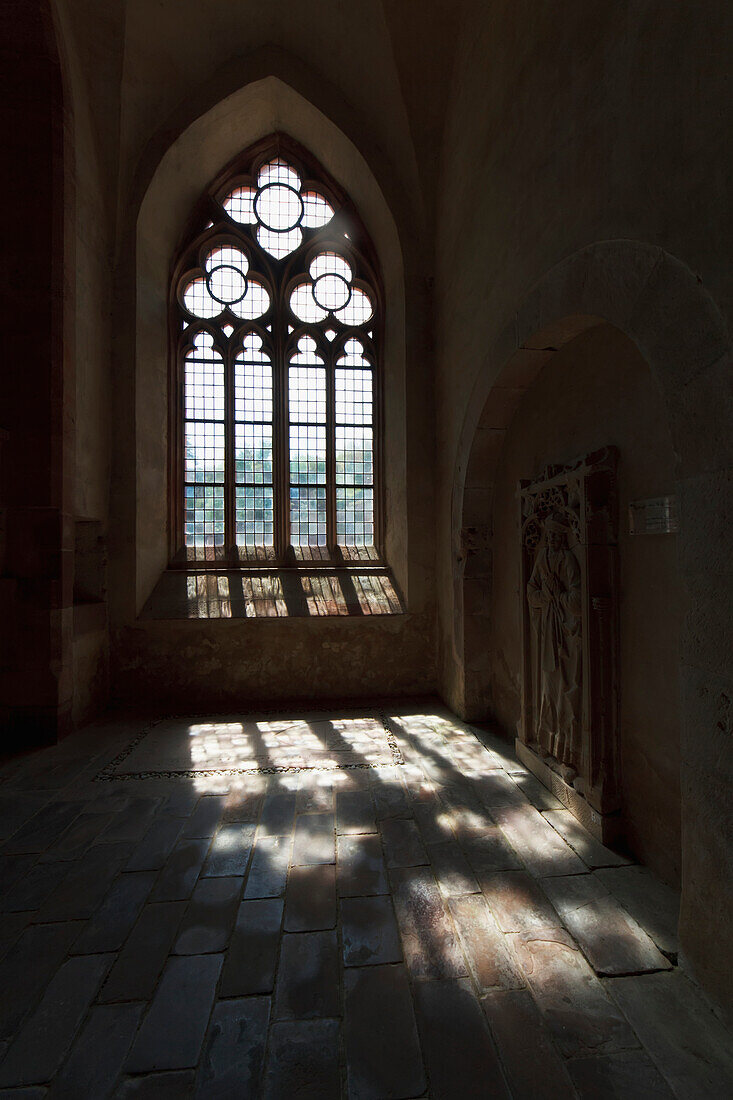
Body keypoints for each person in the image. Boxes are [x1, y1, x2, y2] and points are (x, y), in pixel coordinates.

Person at [526, 512, 582, 772]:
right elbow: (531, 589)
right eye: (548, 536)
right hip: (548, 630)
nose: (550, 540)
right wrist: (544, 596)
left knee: (566, 689)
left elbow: (578, 601)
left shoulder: (569, 560)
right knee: (548, 687)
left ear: (562, 536)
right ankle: (547, 740)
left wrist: (557, 595)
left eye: (555, 536)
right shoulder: (543, 557)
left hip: (566, 635)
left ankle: (568, 751)